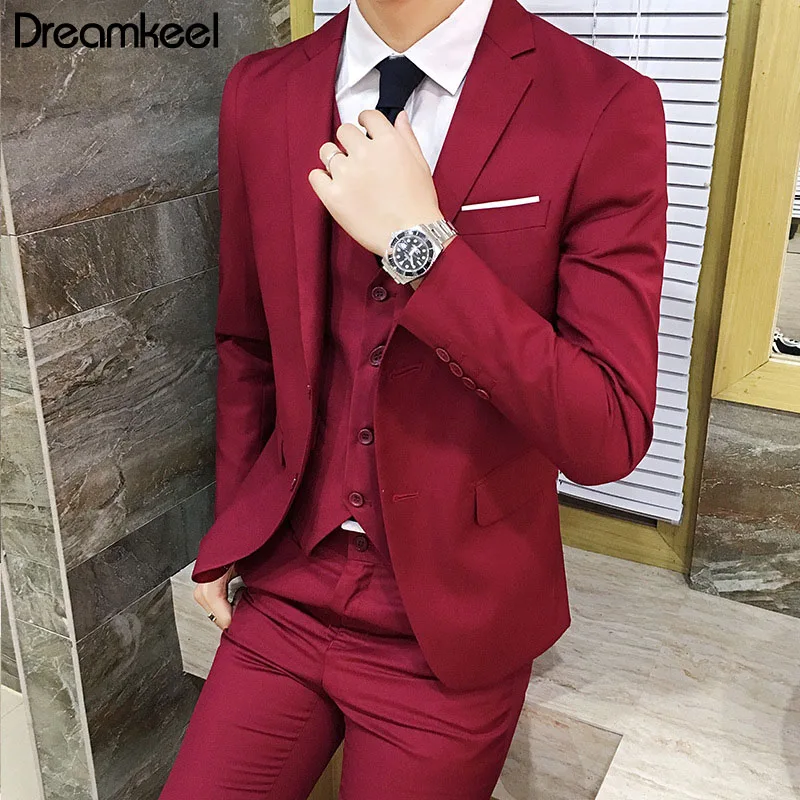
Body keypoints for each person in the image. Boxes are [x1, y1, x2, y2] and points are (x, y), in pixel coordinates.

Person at [159, 0, 667, 797]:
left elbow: (608, 429)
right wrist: (233, 524)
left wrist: (421, 247)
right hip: (286, 585)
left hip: (450, 627)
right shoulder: (261, 88)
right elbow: (247, 341)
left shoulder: (600, 102)